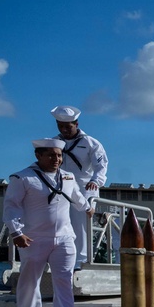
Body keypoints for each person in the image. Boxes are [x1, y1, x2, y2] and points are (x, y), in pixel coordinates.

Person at [3, 139, 94, 307]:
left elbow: (76, 196)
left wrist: (88, 208)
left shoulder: (68, 177)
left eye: (59, 155)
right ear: (38, 156)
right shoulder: (23, 178)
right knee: (29, 281)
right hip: (33, 238)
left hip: (64, 237)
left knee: (63, 279)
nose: (57, 159)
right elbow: (11, 206)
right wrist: (16, 232)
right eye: (51, 155)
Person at [51, 105, 108, 269]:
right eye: (60, 126)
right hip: (60, 186)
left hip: (85, 186)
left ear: (76, 124)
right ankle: (60, 259)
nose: (64, 130)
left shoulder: (90, 143)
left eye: (67, 127)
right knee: (59, 222)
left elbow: (101, 166)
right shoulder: (54, 143)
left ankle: (81, 262)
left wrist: (96, 181)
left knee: (81, 224)